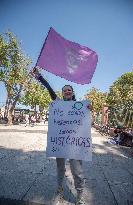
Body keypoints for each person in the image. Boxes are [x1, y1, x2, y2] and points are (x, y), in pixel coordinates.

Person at [31, 67, 92, 205]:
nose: (67, 92)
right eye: (65, 90)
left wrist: (88, 111)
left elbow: (85, 122)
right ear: (63, 93)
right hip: (61, 143)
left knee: (77, 172)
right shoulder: (58, 104)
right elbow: (49, 89)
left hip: (76, 144)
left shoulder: (80, 106)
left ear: (72, 92)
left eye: (69, 90)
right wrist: (39, 77)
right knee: (60, 169)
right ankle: (59, 190)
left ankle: (80, 196)